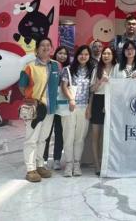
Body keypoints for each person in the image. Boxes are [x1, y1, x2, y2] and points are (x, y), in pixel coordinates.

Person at [19, 37, 61, 183]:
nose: (45, 47)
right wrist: (31, 100)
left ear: (51, 48)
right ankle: (30, 169)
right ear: (36, 49)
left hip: (50, 109)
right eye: (42, 45)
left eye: (48, 45)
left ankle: (40, 165)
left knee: (43, 139)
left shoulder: (56, 66)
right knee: (31, 139)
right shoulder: (29, 67)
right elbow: (22, 87)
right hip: (36, 109)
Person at [60, 45, 93, 177]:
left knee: (80, 137)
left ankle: (77, 164)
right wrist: (71, 99)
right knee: (68, 136)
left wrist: (89, 107)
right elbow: (63, 86)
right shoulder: (68, 69)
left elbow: (92, 91)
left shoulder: (92, 70)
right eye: (81, 54)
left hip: (84, 108)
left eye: (86, 54)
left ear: (89, 56)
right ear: (77, 55)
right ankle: (69, 164)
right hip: (70, 107)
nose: (83, 56)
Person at [88, 46, 117, 175]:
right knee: (96, 136)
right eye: (104, 53)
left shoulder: (117, 68)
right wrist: (100, 82)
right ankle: (97, 165)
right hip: (98, 101)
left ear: (113, 56)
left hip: (113, 102)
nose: (106, 56)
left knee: (110, 136)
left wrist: (109, 104)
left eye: (109, 53)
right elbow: (91, 90)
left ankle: (109, 164)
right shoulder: (97, 69)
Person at [43, 46, 68, 170]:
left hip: (62, 105)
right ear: (55, 54)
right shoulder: (50, 66)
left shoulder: (68, 69)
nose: (62, 56)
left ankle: (57, 159)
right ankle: (44, 159)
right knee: (46, 132)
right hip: (49, 103)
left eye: (65, 54)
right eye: (60, 53)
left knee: (59, 132)